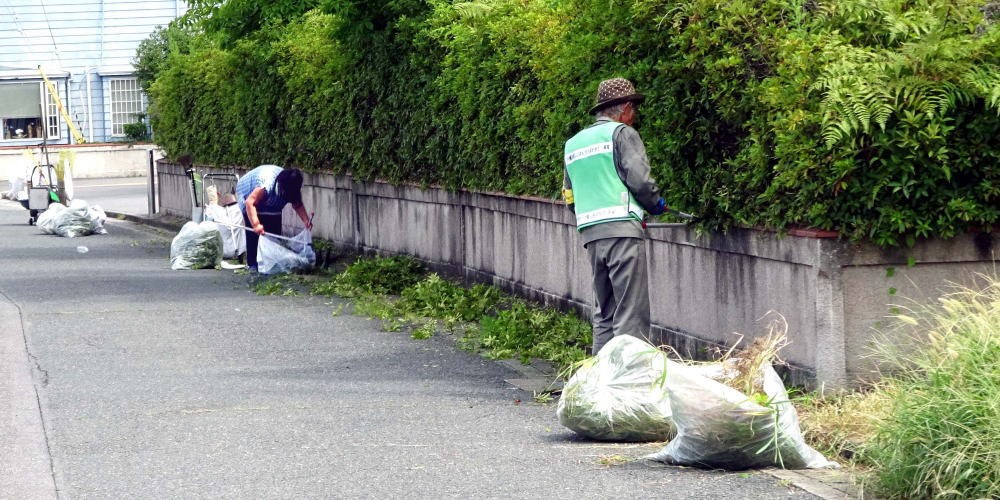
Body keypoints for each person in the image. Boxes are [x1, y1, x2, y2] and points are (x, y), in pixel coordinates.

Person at [562, 78, 668, 354]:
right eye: (634, 109)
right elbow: (640, 181)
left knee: (605, 313)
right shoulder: (622, 134)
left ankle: (600, 384)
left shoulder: (573, 144)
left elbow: (569, 196)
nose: (634, 117)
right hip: (622, 233)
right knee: (630, 313)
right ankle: (627, 386)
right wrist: (655, 204)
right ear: (625, 108)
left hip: (591, 235)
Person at [235, 164, 313, 272]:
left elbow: (297, 204)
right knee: (254, 233)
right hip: (248, 192)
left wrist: (306, 220)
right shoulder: (266, 185)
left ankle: (271, 263)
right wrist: (256, 224)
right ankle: (252, 264)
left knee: (274, 233)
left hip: (271, 201)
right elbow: (250, 203)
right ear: (282, 187)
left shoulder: (293, 187)